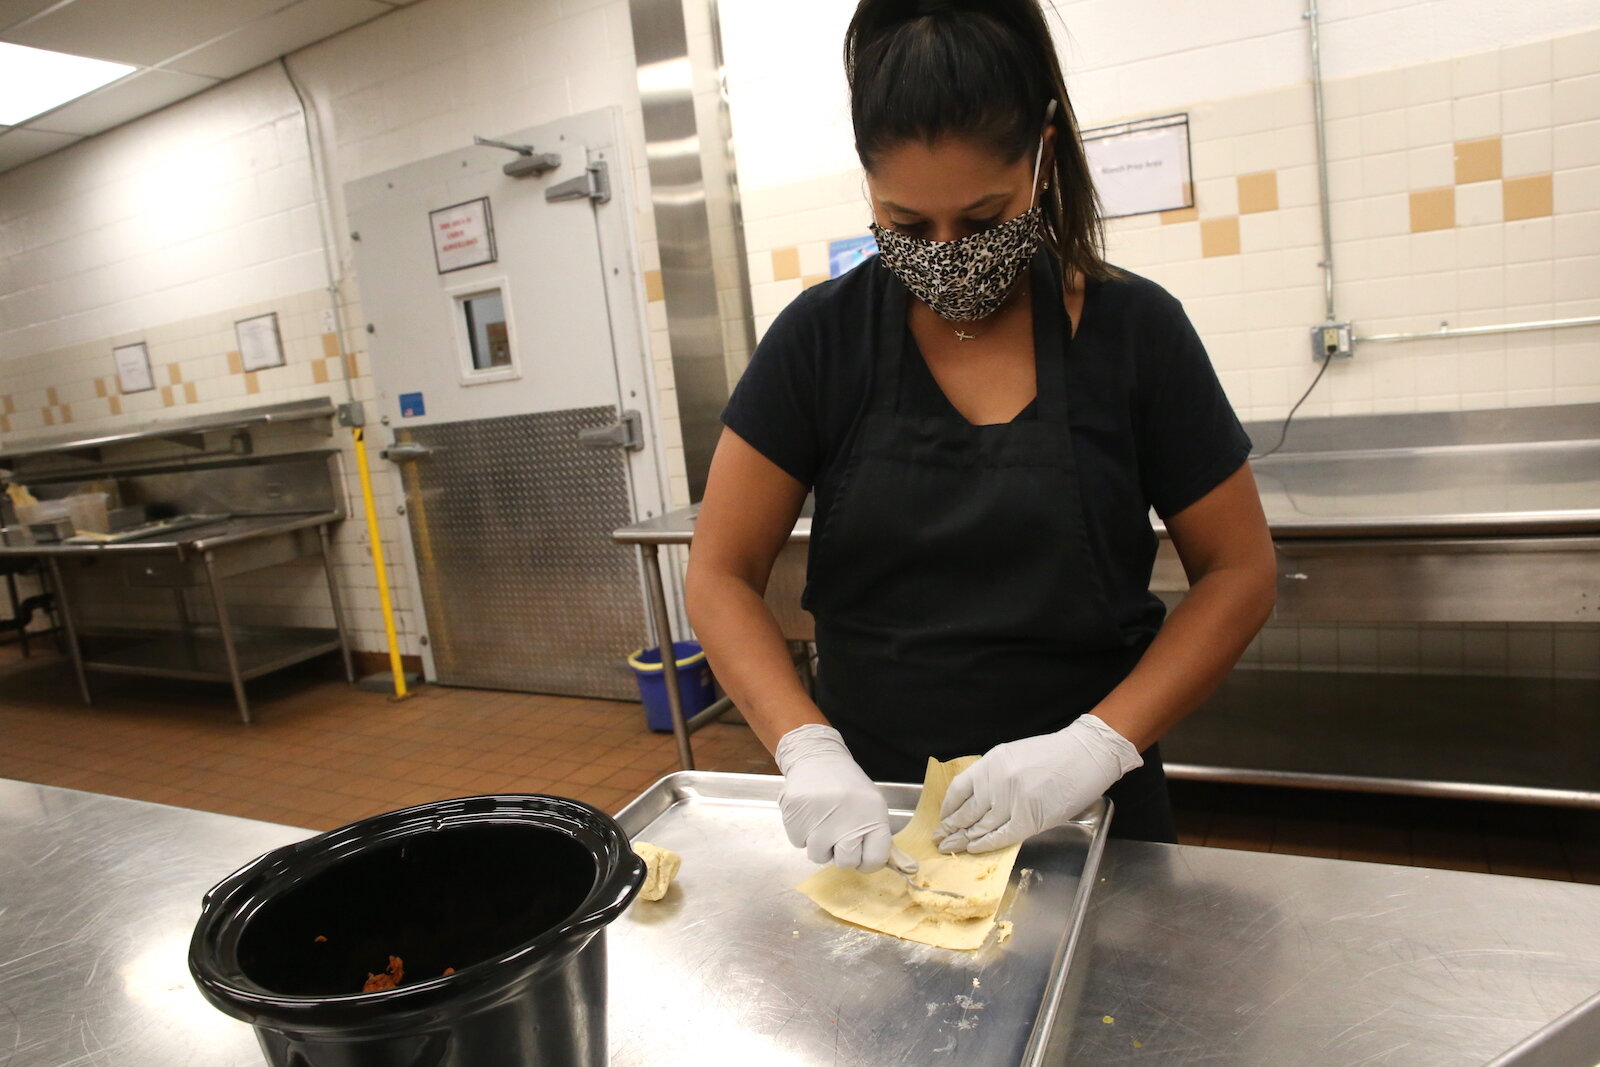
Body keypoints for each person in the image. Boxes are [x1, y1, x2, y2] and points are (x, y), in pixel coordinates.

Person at [685, 0, 1276, 871]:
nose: (948, 251)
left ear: (1041, 153)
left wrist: (1098, 744)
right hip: (879, 827)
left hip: (1089, 818)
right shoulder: (821, 341)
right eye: (908, 224)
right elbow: (720, 572)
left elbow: (1240, 570)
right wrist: (806, 747)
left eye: (984, 216)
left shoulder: (1135, 332)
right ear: (867, 184)